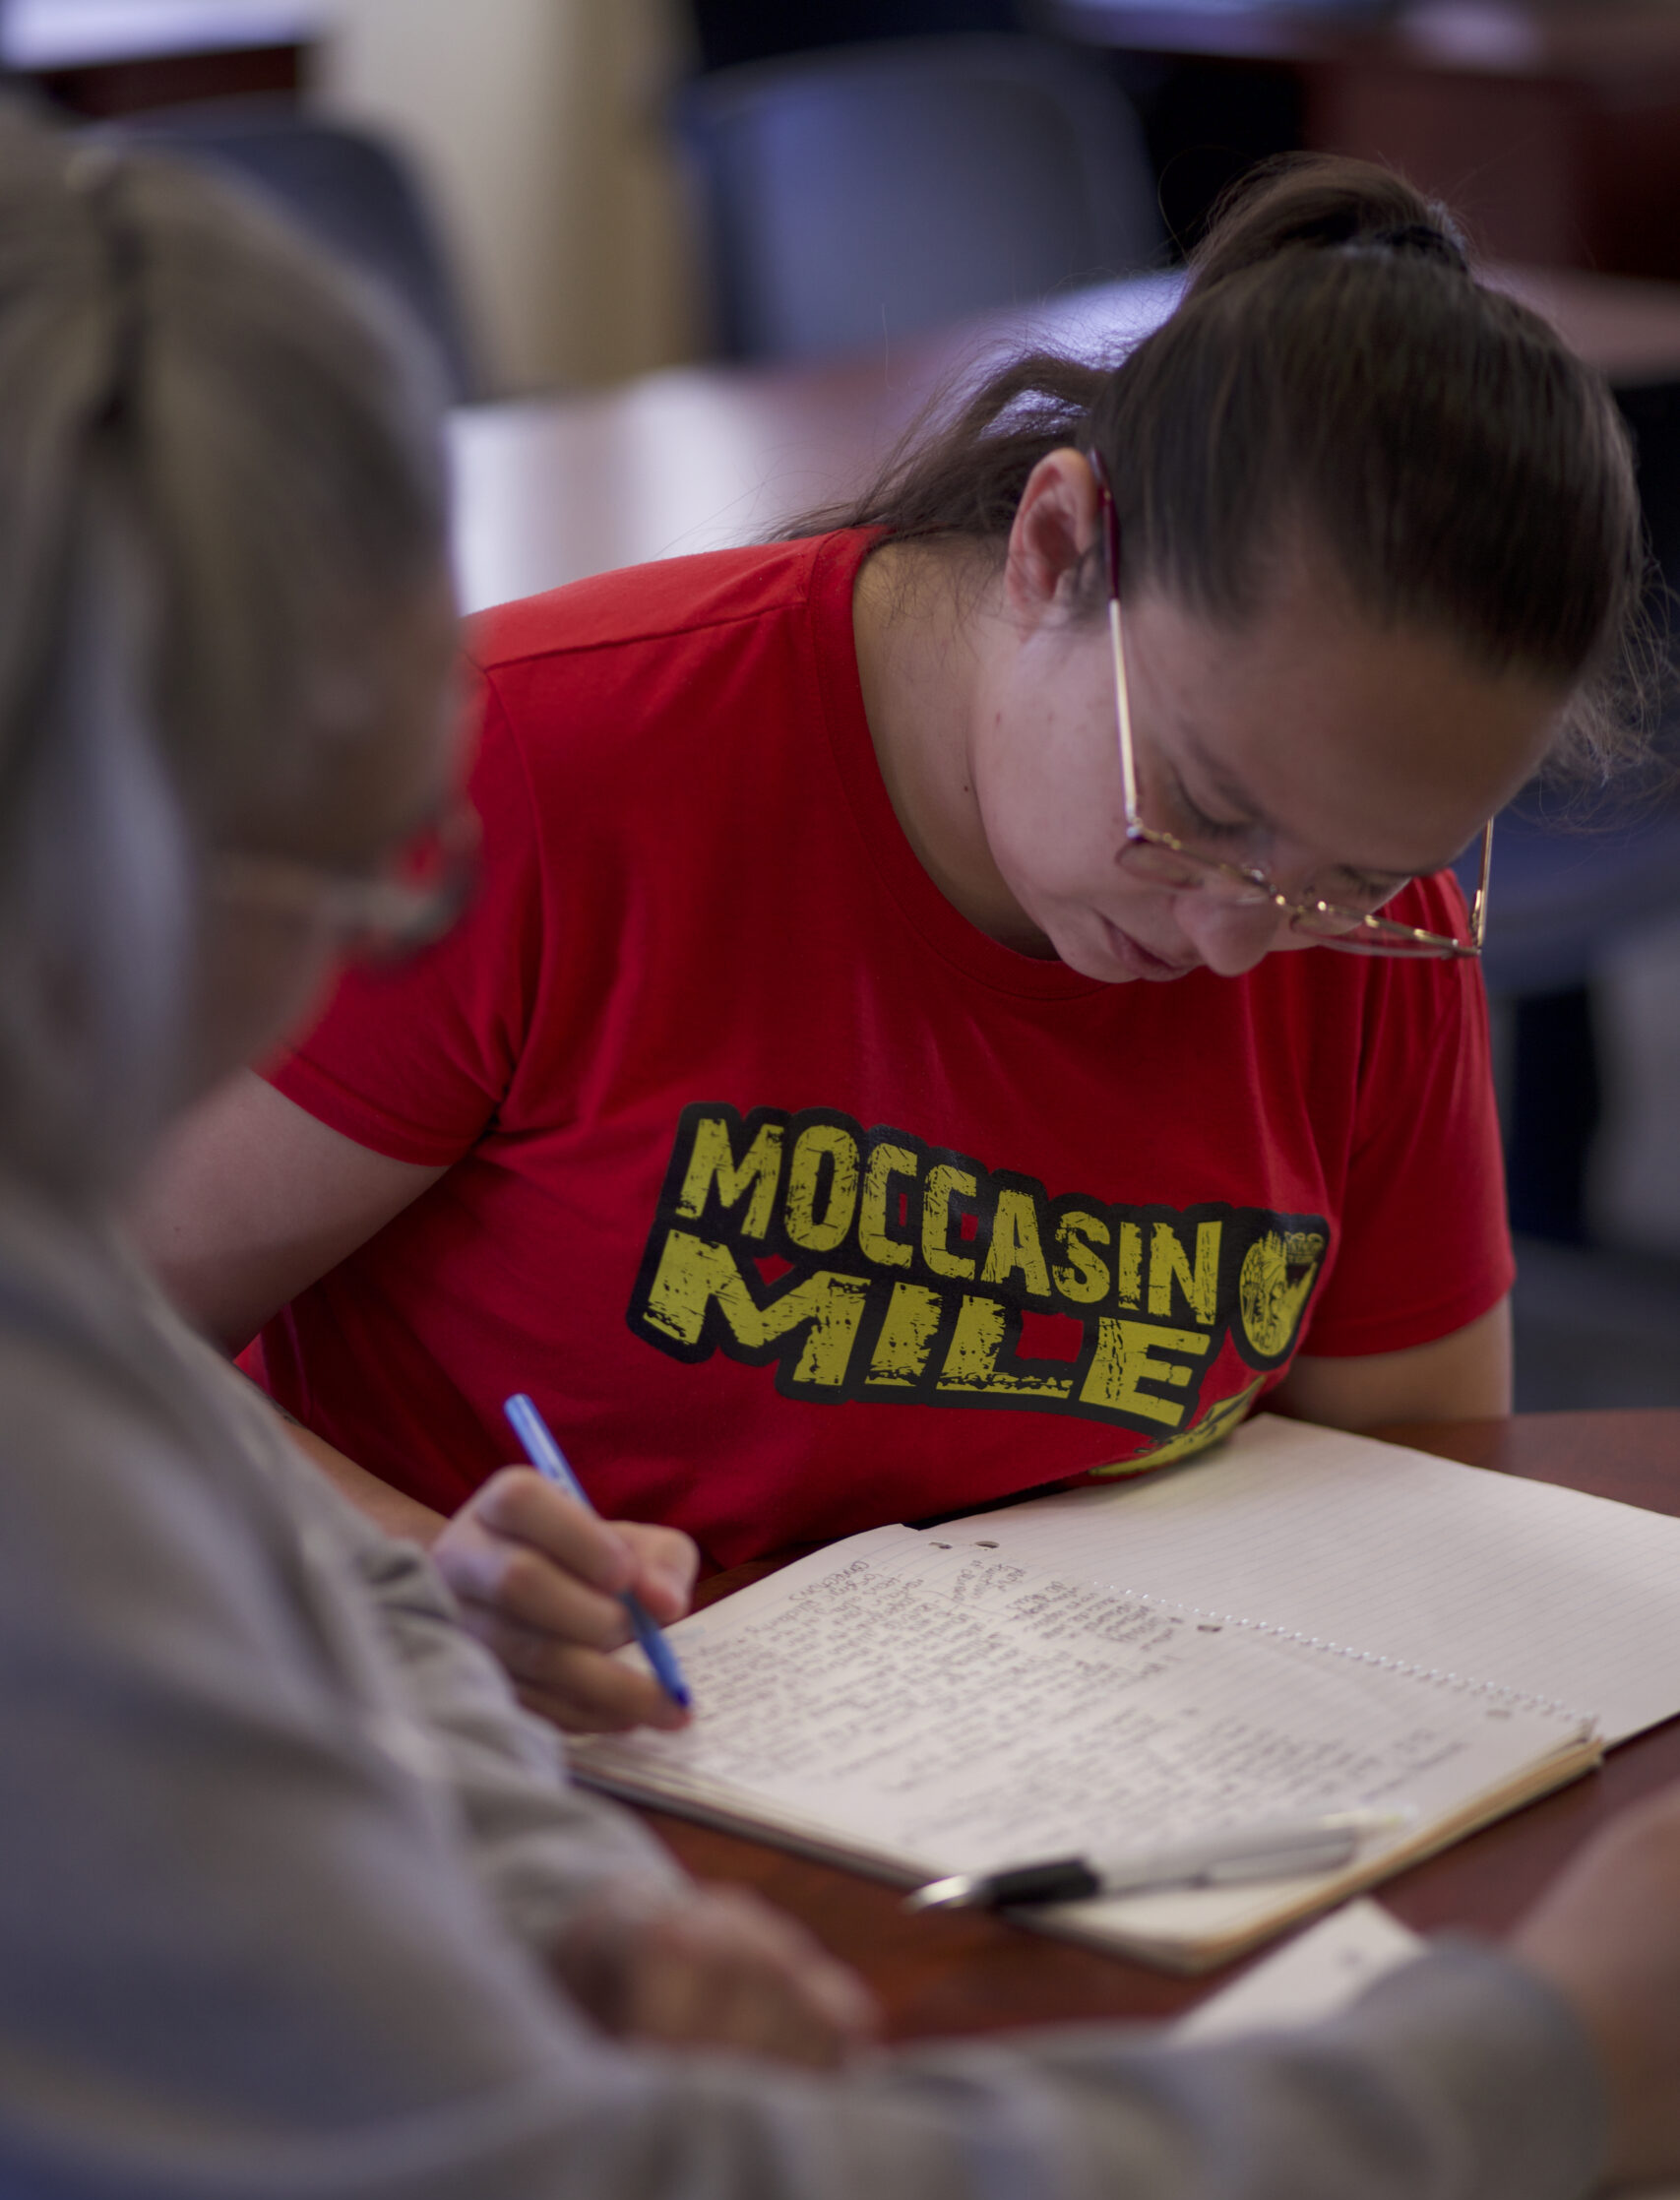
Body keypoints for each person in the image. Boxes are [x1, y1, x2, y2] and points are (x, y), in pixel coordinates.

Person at [6, 100, 1680, 2200]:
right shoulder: (557, 776)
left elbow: (185, 1478)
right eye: (320, 875)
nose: (372, 949)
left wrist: (552, 1885)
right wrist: (1540, 2063)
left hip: (861, 1877)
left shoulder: (44, 1322)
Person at [135, 155, 1646, 1736]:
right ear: (1058, 550)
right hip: (510, 1761)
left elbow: (1409, 1497)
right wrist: (414, 1582)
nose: (1241, 936)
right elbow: (78, 1333)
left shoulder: (1352, 920)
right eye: (1202, 808)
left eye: (1356, 873)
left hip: (1074, 1792)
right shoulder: (525, 770)